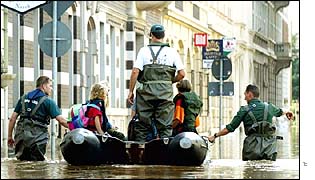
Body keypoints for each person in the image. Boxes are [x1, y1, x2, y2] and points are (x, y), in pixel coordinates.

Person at [127, 24, 185, 142]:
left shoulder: (143, 51)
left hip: (145, 95)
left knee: (142, 126)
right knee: (165, 126)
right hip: (165, 94)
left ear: (151, 35)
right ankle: (164, 153)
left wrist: (130, 91)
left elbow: (135, 72)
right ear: (163, 36)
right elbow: (182, 74)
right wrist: (169, 81)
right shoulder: (172, 52)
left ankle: (141, 153)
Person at [207, 84, 294, 161]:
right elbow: (280, 112)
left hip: (251, 148)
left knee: (250, 171)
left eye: (245, 94)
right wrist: (287, 112)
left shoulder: (244, 110)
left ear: (250, 94)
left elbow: (230, 128)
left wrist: (215, 136)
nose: (244, 97)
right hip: (269, 147)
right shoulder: (269, 107)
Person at [7, 75, 69, 161]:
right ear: (43, 86)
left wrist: (10, 136)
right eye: (50, 86)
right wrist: (75, 126)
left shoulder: (23, 98)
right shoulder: (48, 102)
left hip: (20, 137)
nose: (51, 89)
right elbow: (62, 121)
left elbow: (12, 118)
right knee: (38, 166)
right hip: (37, 139)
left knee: (21, 162)